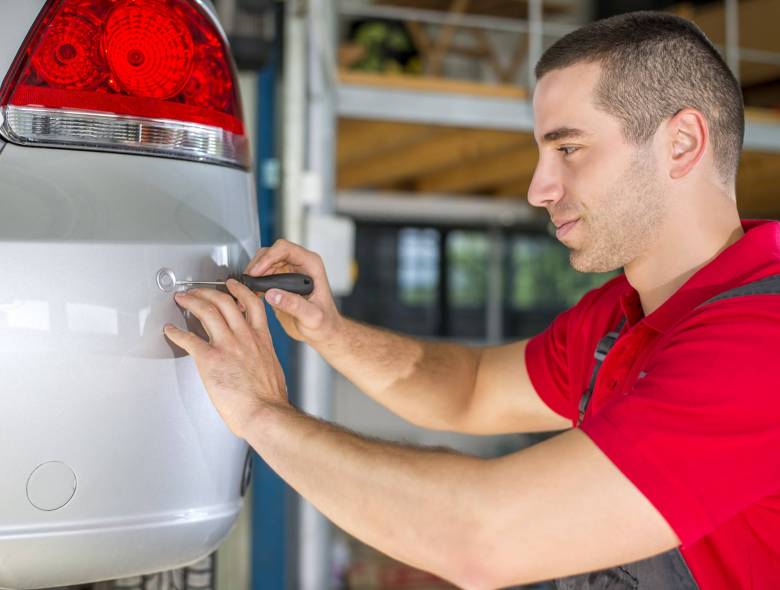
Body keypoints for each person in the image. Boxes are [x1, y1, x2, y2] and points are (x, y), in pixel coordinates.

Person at [163, 11, 780, 589]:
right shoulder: (624, 313)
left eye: (568, 149)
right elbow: (471, 388)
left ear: (681, 143)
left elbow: (485, 535)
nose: (539, 188)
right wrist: (331, 331)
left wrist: (261, 414)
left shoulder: (761, 339)